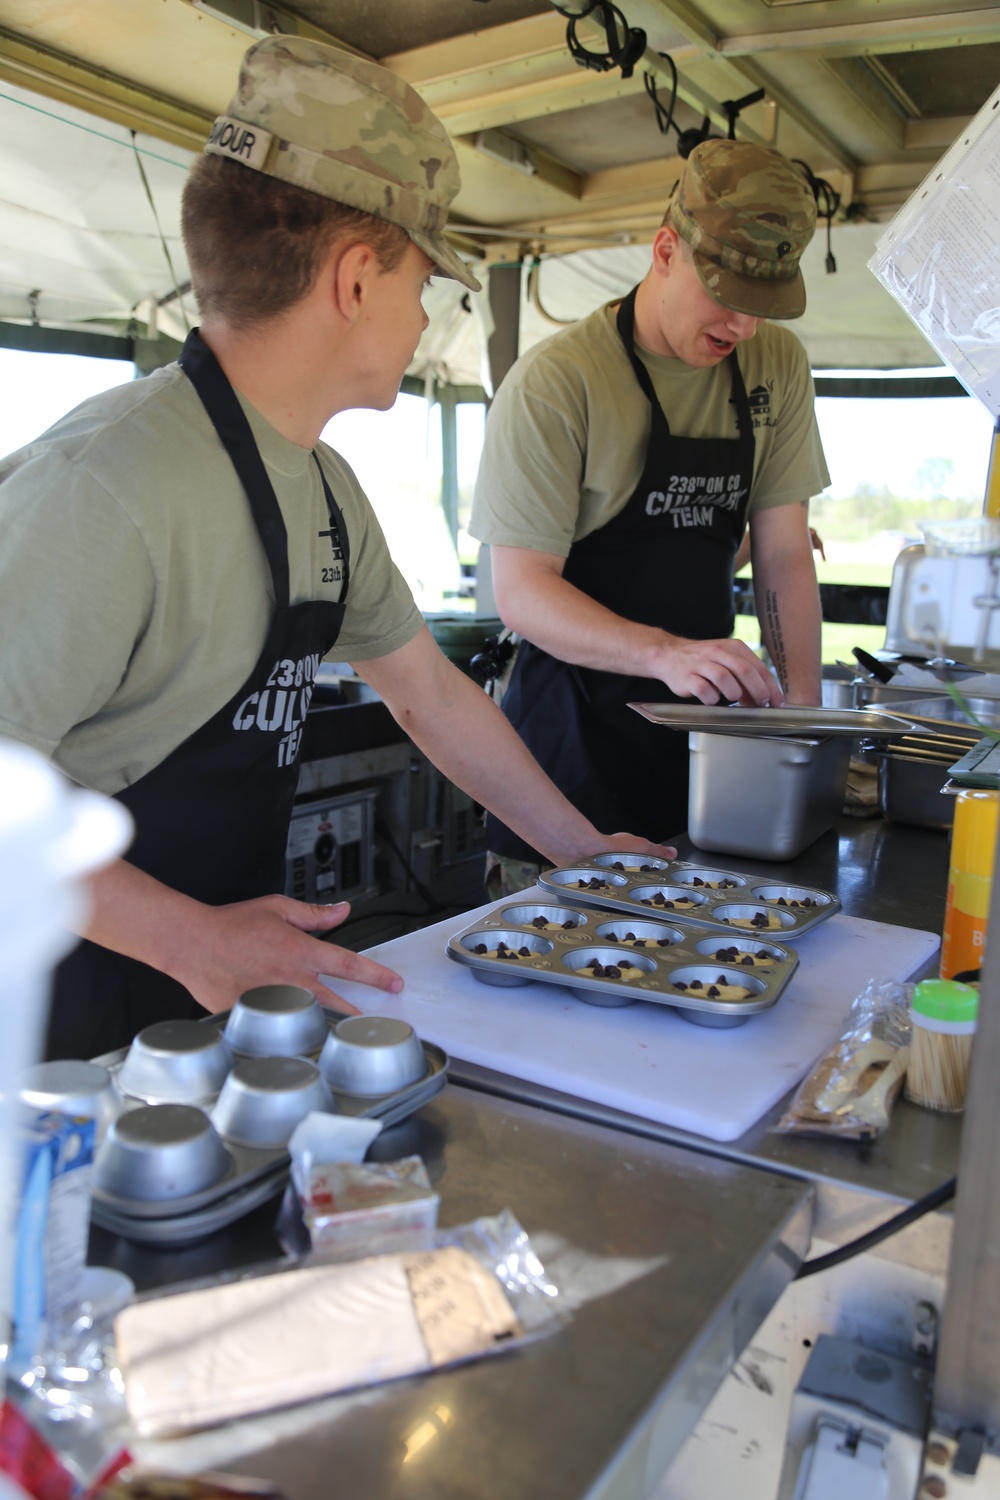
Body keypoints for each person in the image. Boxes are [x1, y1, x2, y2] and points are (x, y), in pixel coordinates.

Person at [0, 36, 670, 1061]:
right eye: (422, 286)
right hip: (51, 1031)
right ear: (357, 279)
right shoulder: (104, 487)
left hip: (201, 1011)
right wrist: (194, 940)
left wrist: (584, 855)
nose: (419, 319)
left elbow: (429, 696)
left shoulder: (320, 485)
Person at [470, 139, 831, 897]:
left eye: (764, 306)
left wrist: (801, 726)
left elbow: (783, 554)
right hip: (568, 764)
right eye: (727, 296)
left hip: (704, 769)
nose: (744, 326)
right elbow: (522, 592)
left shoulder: (777, 367)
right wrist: (666, 654)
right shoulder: (557, 383)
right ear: (666, 249)